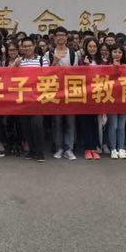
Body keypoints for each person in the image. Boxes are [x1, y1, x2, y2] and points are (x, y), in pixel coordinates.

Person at [45, 26, 78, 161]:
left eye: (63, 35)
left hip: (70, 92)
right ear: (54, 38)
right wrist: (55, 62)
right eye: (58, 35)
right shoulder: (48, 54)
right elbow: (45, 74)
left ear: (66, 37)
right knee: (57, 122)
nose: (60, 37)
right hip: (55, 93)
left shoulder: (73, 54)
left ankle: (69, 148)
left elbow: (76, 74)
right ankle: (59, 147)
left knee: (70, 122)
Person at [15, 36, 46, 162]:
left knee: (37, 125)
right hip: (24, 98)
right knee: (26, 126)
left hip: (37, 98)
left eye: (29, 46)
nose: (27, 48)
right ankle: (32, 151)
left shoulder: (42, 60)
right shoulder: (19, 61)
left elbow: (47, 76)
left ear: (34, 46)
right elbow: (11, 77)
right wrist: (15, 67)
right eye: (24, 46)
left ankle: (40, 152)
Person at [106, 45, 126, 159]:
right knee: (113, 125)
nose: (117, 54)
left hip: (124, 99)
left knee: (121, 126)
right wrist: (113, 69)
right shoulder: (106, 66)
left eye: (120, 52)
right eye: (115, 52)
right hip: (111, 99)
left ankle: (121, 148)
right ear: (111, 53)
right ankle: (113, 148)